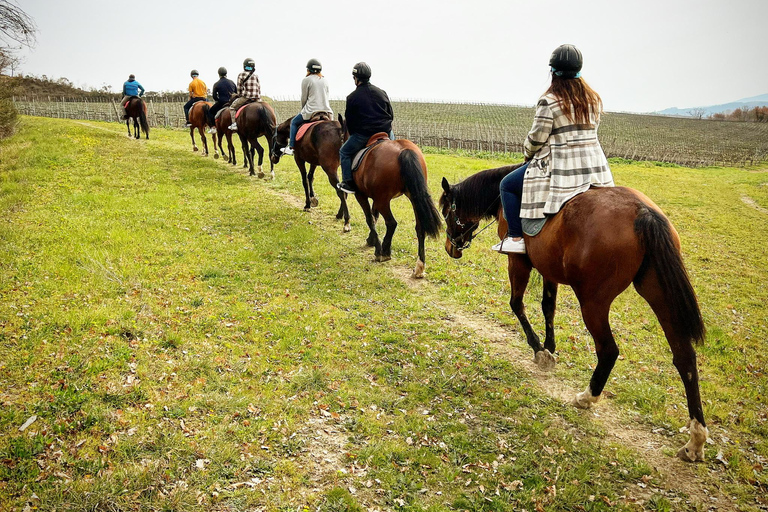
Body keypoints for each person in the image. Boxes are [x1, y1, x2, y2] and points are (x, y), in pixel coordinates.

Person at [492, 44, 614, 254]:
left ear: (553, 72)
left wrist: (528, 153)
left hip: (562, 167)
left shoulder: (549, 101)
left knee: (507, 185)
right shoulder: (593, 99)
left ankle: (515, 237)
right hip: (596, 169)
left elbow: (537, 138)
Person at [337, 62, 394, 194]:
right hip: (386, 132)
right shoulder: (382, 92)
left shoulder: (352, 97)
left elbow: (350, 122)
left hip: (364, 135)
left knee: (344, 152)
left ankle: (348, 182)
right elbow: (391, 114)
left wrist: (356, 132)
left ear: (355, 78)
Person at [281, 58, 332, 156]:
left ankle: (291, 147)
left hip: (311, 110)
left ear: (308, 69)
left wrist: (303, 109)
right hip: (326, 111)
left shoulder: (306, 80)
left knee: (294, 123)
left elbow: (304, 98)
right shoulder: (325, 80)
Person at [228, 58, 261, 131]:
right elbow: (259, 88)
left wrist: (239, 95)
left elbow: (239, 88)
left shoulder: (241, 74)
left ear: (244, 66)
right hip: (257, 98)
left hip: (246, 97)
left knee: (232, 108)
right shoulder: (256, 76)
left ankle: (234, 124)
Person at [207, 66, 237, 134]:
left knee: (210, 112)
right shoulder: (232, 82)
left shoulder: (216, 84)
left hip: (222, 103)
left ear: (219, 74)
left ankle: (213, 127)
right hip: (232, 102)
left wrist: (218, 100)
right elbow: (236, 93)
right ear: (226, 73)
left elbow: (214, 96)